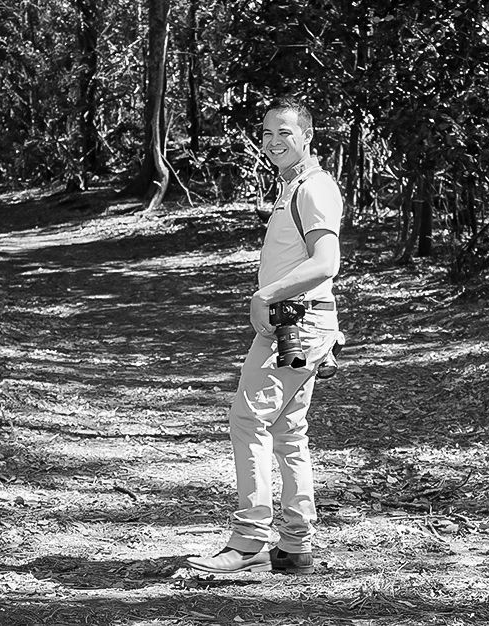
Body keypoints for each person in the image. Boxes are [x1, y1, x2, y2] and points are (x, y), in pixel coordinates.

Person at [186, 97, 343, 575]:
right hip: (300, 321)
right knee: (287, 431)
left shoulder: (313, 189)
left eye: (285, 133)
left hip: (296, 322)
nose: (274, 142)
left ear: (308, 136)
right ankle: (295, 545)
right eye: (268, 133)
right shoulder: (293, 186)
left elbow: (326, 262)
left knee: (247, 419)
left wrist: (264, 295)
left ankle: (249, 538)